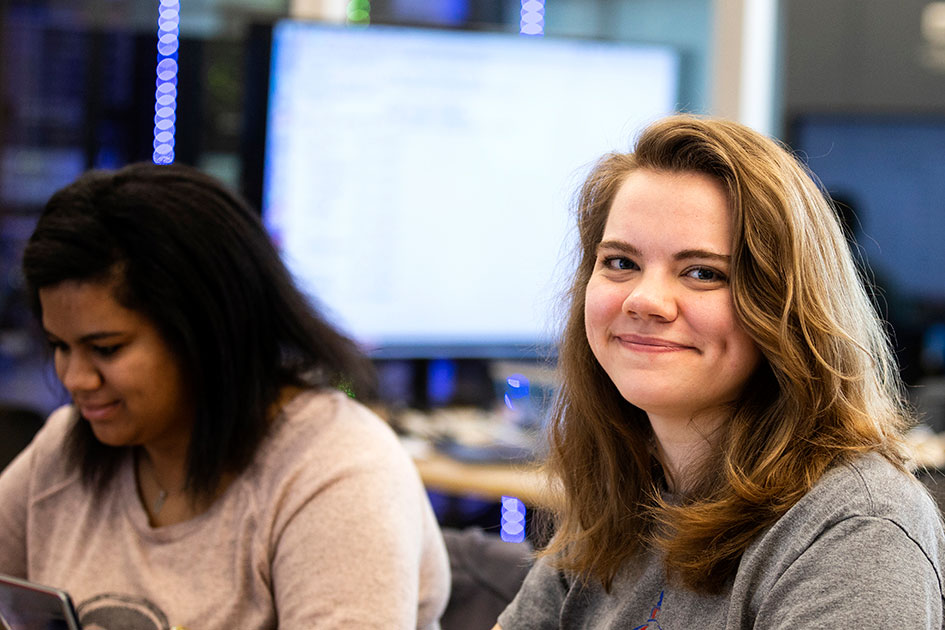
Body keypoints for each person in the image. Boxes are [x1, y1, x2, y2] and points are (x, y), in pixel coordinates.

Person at [495, 115, 945, 628]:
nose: (645, 300)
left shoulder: (856, 528)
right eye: (620, 262)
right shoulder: (619, 498)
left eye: (703, 273)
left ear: (785, 309)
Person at [0, 162, 450, 630]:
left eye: (106, 349)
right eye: (59, 346)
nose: (75, 378)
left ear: (209, 331)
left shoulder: (337, 470)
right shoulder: (64, 450)